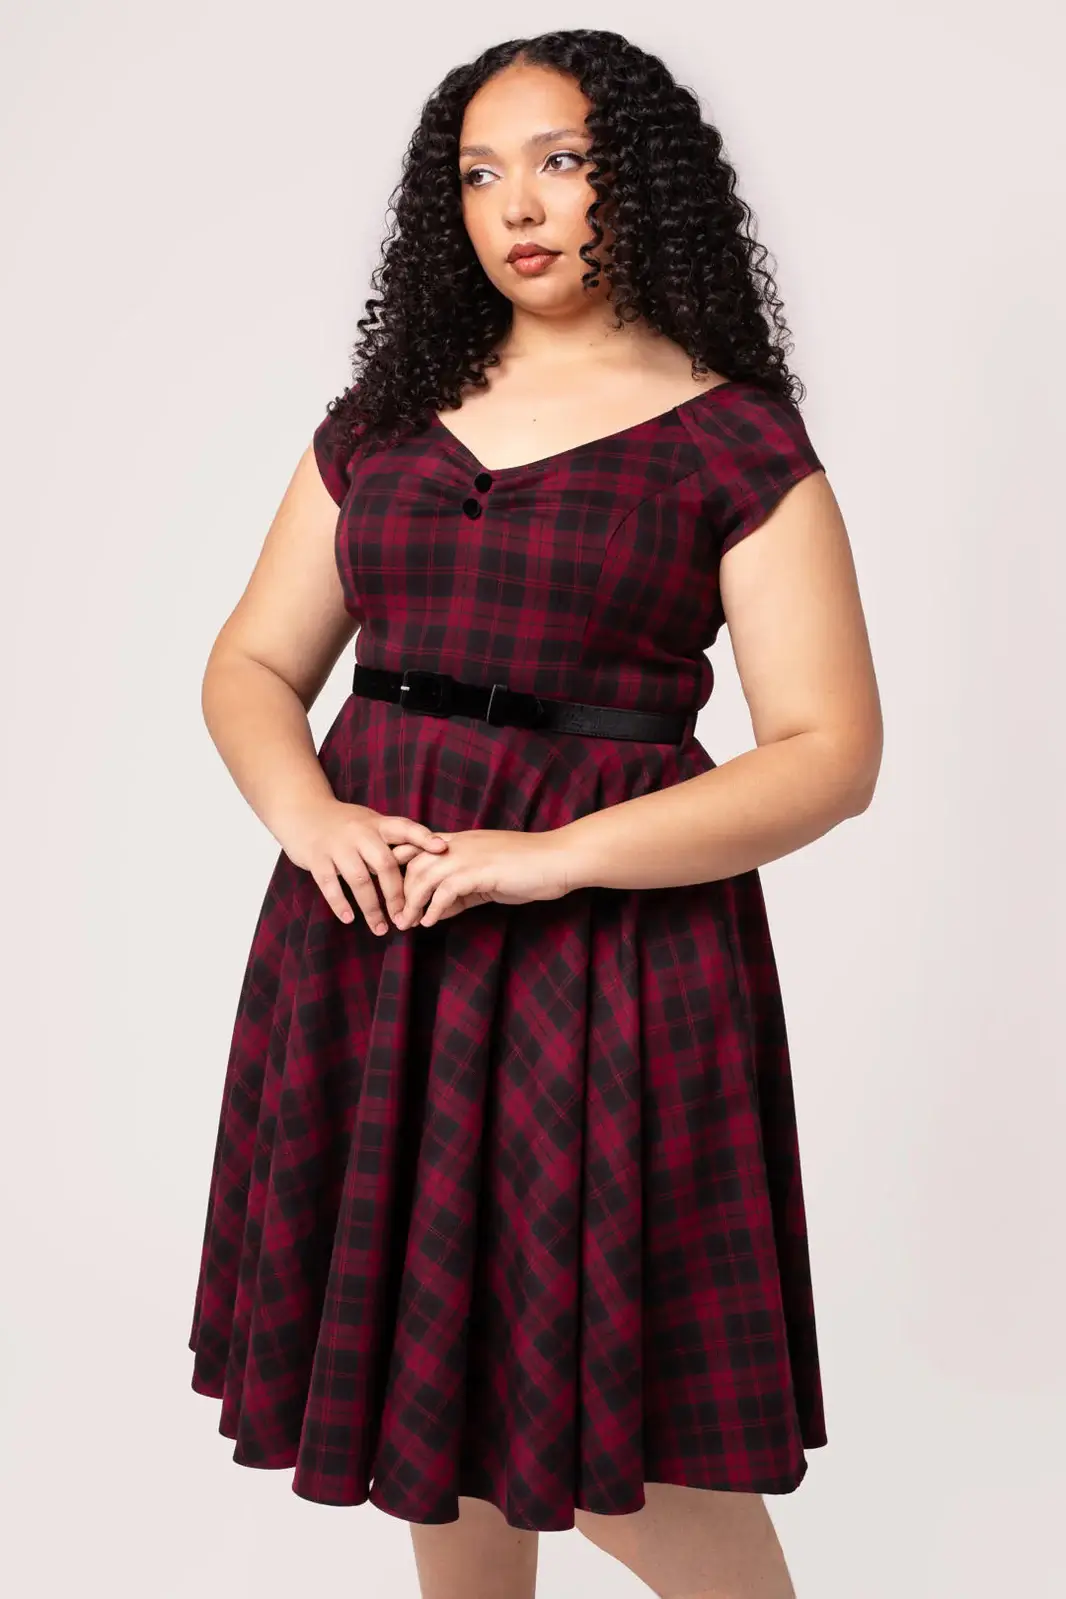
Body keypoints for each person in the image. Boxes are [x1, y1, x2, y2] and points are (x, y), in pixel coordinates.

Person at [187, 27, 881, 1599]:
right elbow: (252, 664)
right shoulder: (384, 418)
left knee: (621, 1425)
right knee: (429, 1402)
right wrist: (310, 816)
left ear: (640, 179)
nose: (518, 205)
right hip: (377, 928)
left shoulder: (733, 440)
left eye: (562, 162)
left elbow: (828, 751)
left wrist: (547, 861)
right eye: (479, 173)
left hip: (607, 959)